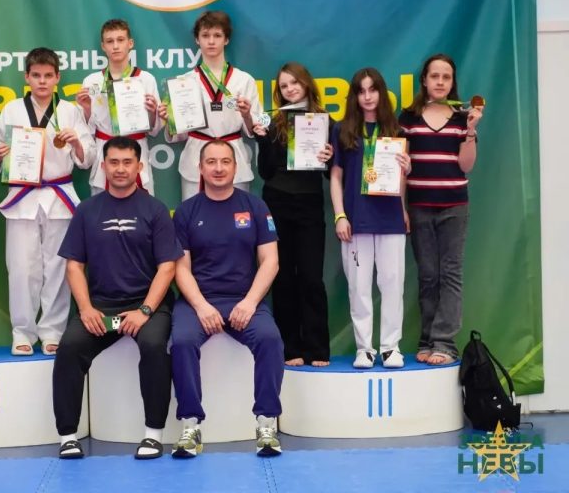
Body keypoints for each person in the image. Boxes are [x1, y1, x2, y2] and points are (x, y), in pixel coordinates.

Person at [52, 136, 183, 460]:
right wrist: (86, 309)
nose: (120, 169)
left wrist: (145, 310)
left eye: (127, 162)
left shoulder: (155, 209)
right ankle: (68, 436)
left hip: (147, 307)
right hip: (102, 310)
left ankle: (153, 435)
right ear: (103, 166)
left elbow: (167, 268)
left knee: (153, 346)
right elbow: (74, 266)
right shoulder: (87, 210)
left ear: (139, 167)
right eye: (114, 162)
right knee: (69, 348)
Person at [170, 140, 284, 458]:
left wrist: (249, 303)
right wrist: (201, 306)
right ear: (200, 168)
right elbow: (180, 268)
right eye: (211, 162)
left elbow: (271, 261)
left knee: (270, 340)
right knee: (181, 342)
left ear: (236, 167)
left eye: (225, 162)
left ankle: (266, 424)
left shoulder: (255, 207)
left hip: (244, 300)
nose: (218, 168)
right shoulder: (186, 211)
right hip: (198, 302)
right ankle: (190, 426)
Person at [0, 47, 95, 356]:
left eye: (48, 76)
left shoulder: (70, 111)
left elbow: (88, 156)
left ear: (57, 78)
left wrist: (76, 142)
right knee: (21, 267)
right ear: (27, 77)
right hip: (22, 196)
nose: (42, 81)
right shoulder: (12, 109)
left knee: (58, 267)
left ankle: (52, 331)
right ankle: (22, 332)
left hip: (59, 195)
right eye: (36, 75)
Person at [399, 54, 483, 365]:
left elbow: (466, 165)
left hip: (454, 207)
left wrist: (471, 130)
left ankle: (444, 344)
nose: (440, 82)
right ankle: (427, 339)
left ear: (452, 82)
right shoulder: (408, 117)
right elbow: (400, 167)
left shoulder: (463, 118)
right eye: (434, 76)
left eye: (446, 77)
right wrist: (401, 208)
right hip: (419, 207)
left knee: (450, 274)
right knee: (428, 275)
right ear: (424, 80)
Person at [330, 67, 411, 369]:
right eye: (361, 91)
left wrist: (403, 204)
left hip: (390, 219)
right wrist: (340, 215)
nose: (367, 96)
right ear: (354, 96)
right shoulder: (342, 130)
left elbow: (400, 179)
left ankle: (390, 347)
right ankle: (364, 348)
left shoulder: (396, 131)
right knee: (359, 287)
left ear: (381, 92)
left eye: (372, 89)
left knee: (392, 285)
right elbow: (335, 177)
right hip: (355, 221)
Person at [254, 62, 333, 367]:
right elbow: (265, 172)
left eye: (294, 83)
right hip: (277, 202)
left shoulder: (325, 121)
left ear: (306, 83)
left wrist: (329, 157)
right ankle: (290, 348)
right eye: (284, 86)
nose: (290, 89)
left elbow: (331, 174)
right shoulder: (275, 121)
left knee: (312, 278)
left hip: (310, 204)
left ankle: (317, 348)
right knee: (283, 277)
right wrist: (263, 140)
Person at [158, 10, 260, 200]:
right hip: (195, 160)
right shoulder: (183, 83)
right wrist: (170, 121)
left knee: (235, 215)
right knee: (194, 215)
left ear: (226, 40)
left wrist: (247, 115)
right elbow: (178, 135)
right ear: (197, 40)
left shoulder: (244, 80)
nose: (211, 41)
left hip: (233, 158)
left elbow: (255, 130)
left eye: (217, 35)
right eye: (205, 35)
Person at [76, 19, 162, 195]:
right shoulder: (91, 81)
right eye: (110, 41)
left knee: (141, 208)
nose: (115, 46)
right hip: (105, 150)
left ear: (130, 43)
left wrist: (153, 113)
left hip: (136, 149)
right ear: (103, 46)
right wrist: (87, 109)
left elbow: (154, 130)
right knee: (103, 208)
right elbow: (87, 132)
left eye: (120, 40)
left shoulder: (146, 79)